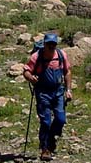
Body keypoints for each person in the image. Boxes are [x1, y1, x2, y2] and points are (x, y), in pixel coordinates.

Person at [23, 33, 73, 161]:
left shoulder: (61, 56)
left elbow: (67, 72)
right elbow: (26, 71)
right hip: (42, 92)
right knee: (45, 121)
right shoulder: (36, 57)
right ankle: (45, 148)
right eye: (48, 44)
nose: (51, 46)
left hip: (58, 91)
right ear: (44, 44)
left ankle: (51, 137)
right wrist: (31, 78)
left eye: (53, 44)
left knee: (61, 119)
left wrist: (68, 90)